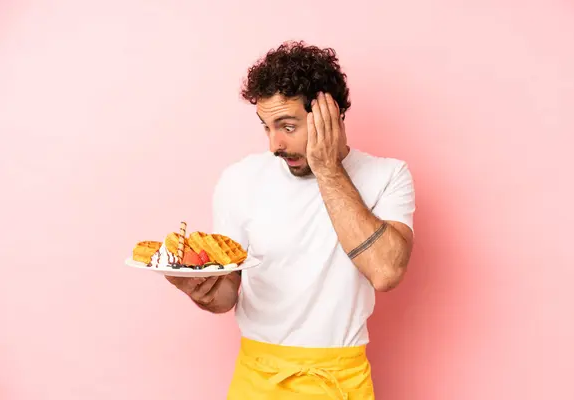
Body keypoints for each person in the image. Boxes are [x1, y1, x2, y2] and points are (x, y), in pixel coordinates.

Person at [165, 40, 416, 399]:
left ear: (330, 113)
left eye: (287, 126)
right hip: (257, 379)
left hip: (340, 380)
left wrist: (328, 168)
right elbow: (226, 295)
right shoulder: (240, 179)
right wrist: (200, 290)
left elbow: (386, 272)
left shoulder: (388, 175)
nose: (274, 145)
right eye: (267, 127)